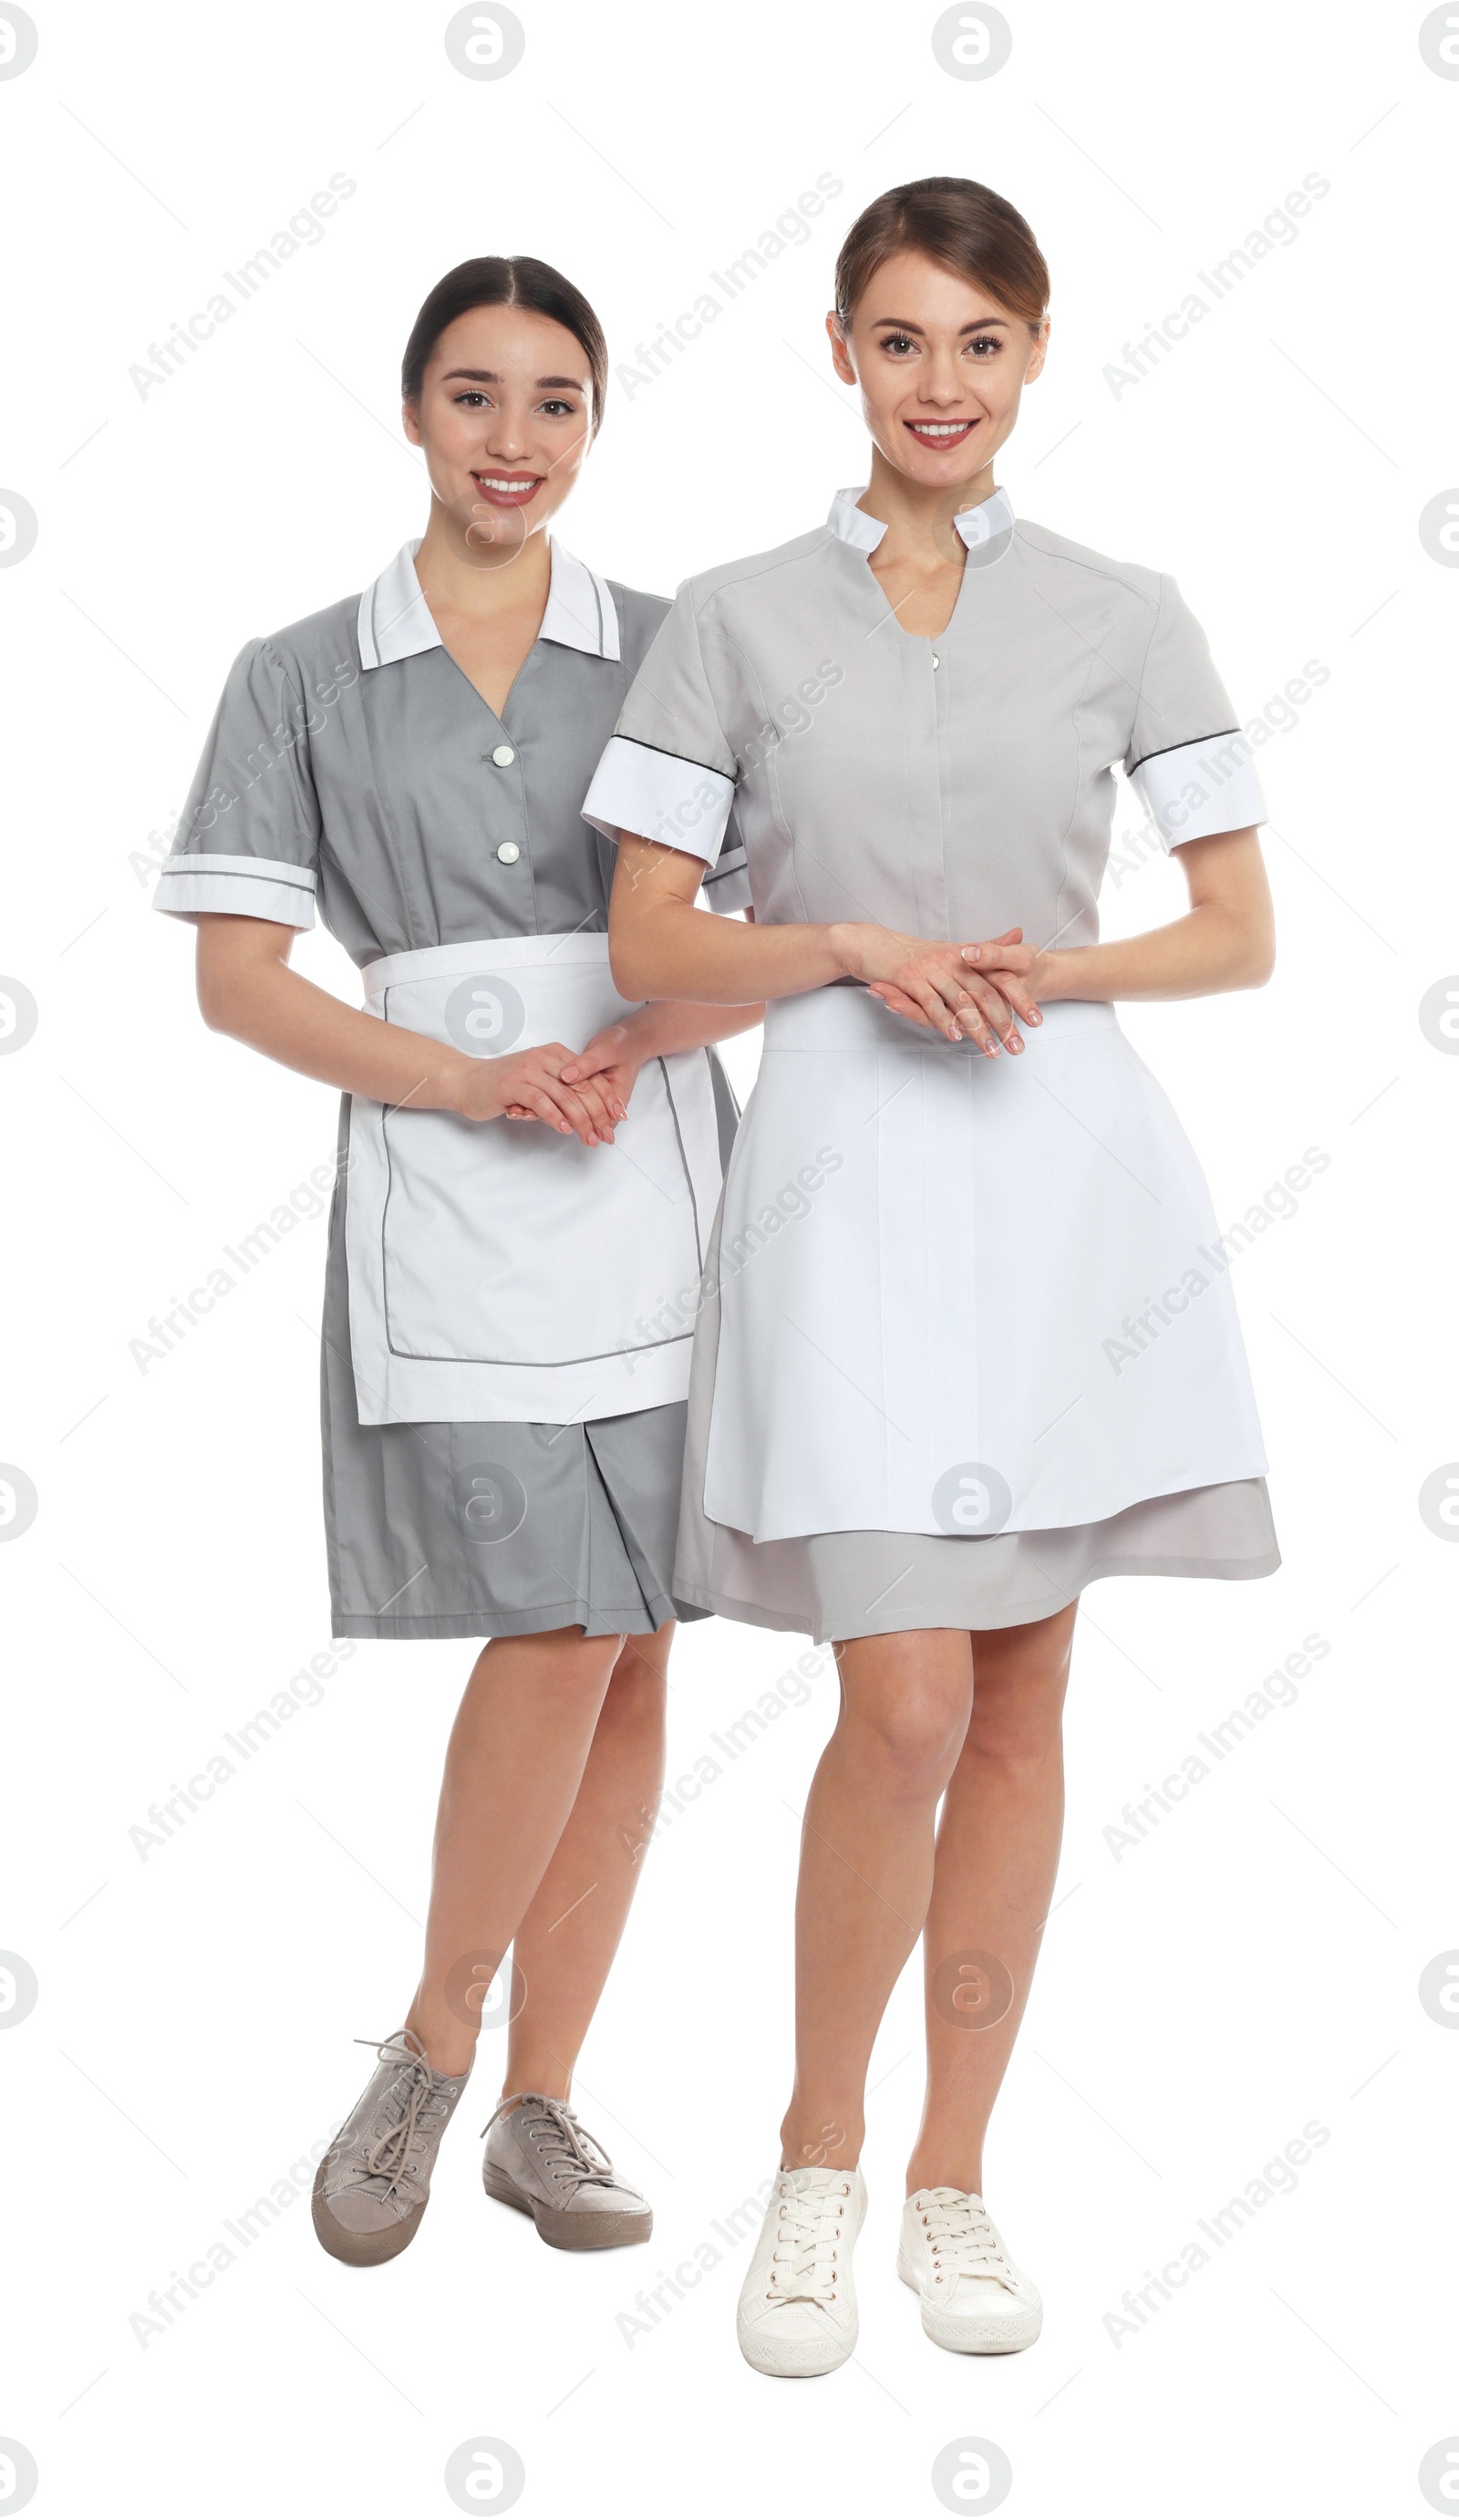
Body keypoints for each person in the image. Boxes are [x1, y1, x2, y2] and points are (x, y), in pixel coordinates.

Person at [586, 177, 1278, 2375]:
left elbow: (1235, 928)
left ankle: (953, 2180)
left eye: (978, 343)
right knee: (894, 1697)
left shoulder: (1123, 609)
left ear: (1033, 356)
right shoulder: (728, 617)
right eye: (900, 340)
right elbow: (646, 938)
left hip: (1064, 1167)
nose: (939, 385)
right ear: (835, 351)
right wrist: (860, 948)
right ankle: (812, 2156)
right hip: (844, 1172)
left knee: (1019, 1700)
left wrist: (1035, 969)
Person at [154, 256, 761, 2269]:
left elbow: (755, 925)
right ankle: (430, 2043)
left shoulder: (679, 651)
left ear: (598, 423)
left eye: (557, 401)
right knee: (562, 1621)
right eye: (478, 396)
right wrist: (473, 1079)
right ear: (413, 410)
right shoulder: (299, 675)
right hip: (454, 1182)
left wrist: (615, 1047)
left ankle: (537, 2103)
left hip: (654, 1153)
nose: (516, 441)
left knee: (640, 1631)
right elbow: (243, 982)